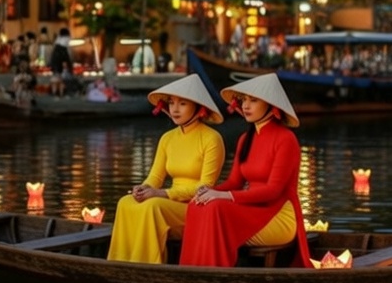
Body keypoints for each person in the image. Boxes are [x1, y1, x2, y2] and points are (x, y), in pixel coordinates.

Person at [180, 73, 312, 268]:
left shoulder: (286, 139)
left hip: (278, 214)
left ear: (271, 105)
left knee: (217, 208)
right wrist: (208, 191)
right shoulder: (245, 139)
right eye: (243, 101)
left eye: (253, 100)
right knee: (197, 205)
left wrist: (225, 197)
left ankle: (215, 273)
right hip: (251, 207)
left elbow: (273, 191)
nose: (246, 106)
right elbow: (234, 182)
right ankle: (194, 270)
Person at [107, 75, 226, 264]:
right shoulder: (167, 138)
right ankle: (120, 262)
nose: (175, 109)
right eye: (171, 103)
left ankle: (147, 266)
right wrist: (144, 188)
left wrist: (161, 193)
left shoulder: (212, 139)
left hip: (195, 207)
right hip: (170, 200)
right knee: (125, 202)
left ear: (198, 107)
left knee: (154, 206)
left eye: (183, 103)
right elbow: (155, 176)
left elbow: (205, 187)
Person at [48, 27, 77, 97]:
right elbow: (64, 57)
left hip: (55, 64)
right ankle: (60, 93)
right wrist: (66, 66)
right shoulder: (64, 42)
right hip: (60, 65)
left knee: (56, 79)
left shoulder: (57, 42)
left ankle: (55, 93)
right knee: (61, 80)